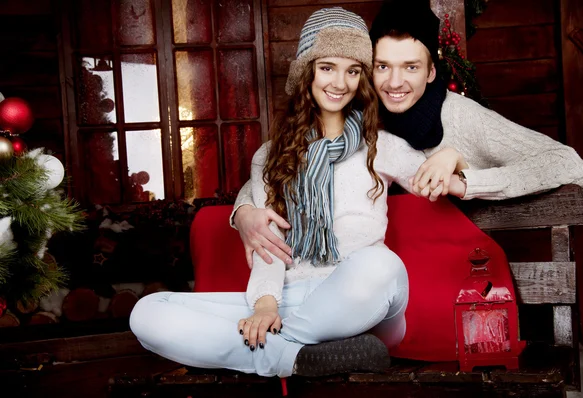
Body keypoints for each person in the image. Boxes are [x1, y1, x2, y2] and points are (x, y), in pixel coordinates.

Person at [130, 7, 458, 378]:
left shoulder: (380, 145)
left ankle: (275, 351)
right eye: (327, 67)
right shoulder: (270, 156)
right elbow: (268, 244)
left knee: (381, 265)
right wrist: (266, 306)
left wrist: (449, 157)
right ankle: (294, 358)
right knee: (148, 313)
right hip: (292, 299)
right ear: (306, 72)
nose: (340, 82)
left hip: (361, 301)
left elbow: (445, 180)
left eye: (353, 71)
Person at [231, 1, 583, 268]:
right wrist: (244, 211)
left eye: (411, 67)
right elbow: (292, 158)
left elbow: (568, 163)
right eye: (383, 66)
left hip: (444, 266)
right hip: (375, 268)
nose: (395, 82)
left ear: (432, 71)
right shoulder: (360, 115)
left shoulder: (461, 116)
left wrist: (463, 174)